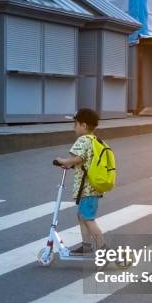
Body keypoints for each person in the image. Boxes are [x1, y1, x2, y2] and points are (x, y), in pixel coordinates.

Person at [55, 108, 106, 255]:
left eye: (75, 124)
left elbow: (78, 158)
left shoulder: (83, 140)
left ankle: (103, 248)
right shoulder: (95, 140)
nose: (74, 127)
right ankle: (86, 246)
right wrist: (70, 164)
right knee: (82, 216)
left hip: (87, 188)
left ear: (83, 125)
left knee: (88, 219)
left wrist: (64, 161)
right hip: (91, 188)